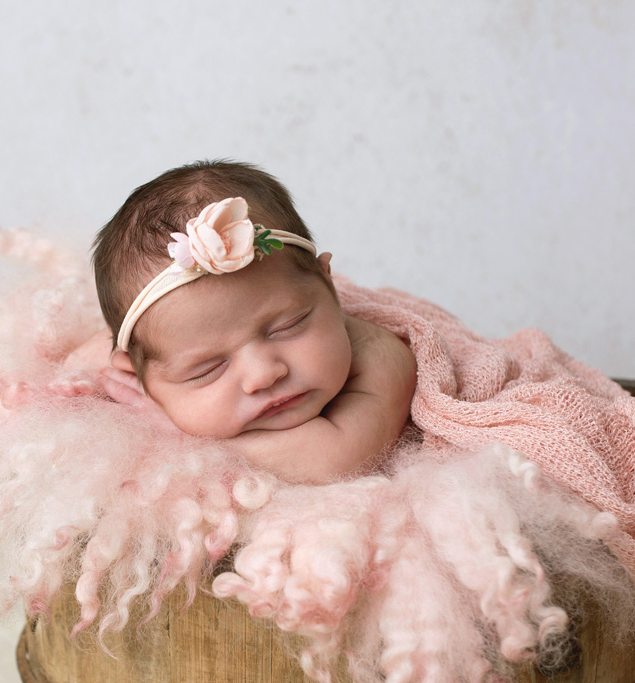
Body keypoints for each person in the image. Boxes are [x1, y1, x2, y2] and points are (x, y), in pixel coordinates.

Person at [85, 160, 416, 483]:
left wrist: (171, 428)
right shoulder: (141, 361)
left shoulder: (382, 356)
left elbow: (335, 459)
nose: (264, 375)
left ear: (329, 285)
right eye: (207, 368)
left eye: (288, 327)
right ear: (136, 375)